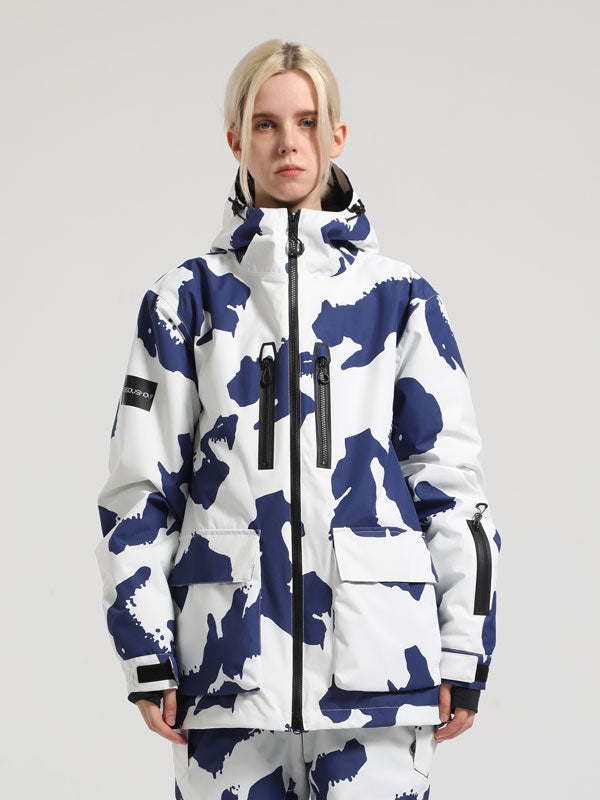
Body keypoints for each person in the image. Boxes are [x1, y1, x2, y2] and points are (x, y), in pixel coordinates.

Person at [95, 38, 500, 800]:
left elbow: (450, 486)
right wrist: (147, 649)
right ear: (236, 139)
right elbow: (138, 492)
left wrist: (463, 651)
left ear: (336, 135)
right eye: (266, 123)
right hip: (228, 681)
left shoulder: (401, 299)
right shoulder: (184, 301)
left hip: (379, 677)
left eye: (307, 122)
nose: (288, 143)